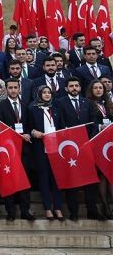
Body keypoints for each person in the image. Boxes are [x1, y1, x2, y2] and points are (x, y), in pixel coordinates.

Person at [56, 76, 103, 221]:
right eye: (71, 86)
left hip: (86, 147)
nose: (74, 88)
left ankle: (92, 210)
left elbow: (94, 124)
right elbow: (60, 124)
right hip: (69, 148)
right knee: (72, 180)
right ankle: (73, 211)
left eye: (76, 85)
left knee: (90, 180)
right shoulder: (60, 102)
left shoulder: (87, 102)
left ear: (80, 87)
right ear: (66, 88)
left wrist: (89, 141)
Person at [0, 78, 36, 221]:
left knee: (24, 180)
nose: (13, 90)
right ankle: (10, 211)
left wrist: (28, 134)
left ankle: (25, 210)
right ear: (6, 90)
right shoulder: (0, 106)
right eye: (10, 88)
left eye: (15, 87)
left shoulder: (25, 106)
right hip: (8, 149)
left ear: (19, 89)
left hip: (23, 148)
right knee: (8, 179)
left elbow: (29, 125)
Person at [28, 84, 66, 221]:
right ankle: (47, 209)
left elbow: (62, 127)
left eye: (49, 92)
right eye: (44, 92)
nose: (47, 95)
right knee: (43, 180)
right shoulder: (32, 110)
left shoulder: (56, 110)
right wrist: (34, 132)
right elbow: (28, 127)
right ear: (39, 94)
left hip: (55, 150)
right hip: (41, 149)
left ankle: (58, 208)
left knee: (57, 180)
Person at [85, 79, 113, 218]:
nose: (98, 90)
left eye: (100, 88)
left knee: (110, 173)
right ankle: (106, 207)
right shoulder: (88, 104)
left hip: (109, 143)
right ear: (91, 90)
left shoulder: (109, 104)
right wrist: (99, 126)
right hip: (97, 142)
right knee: (102, 173)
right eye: (95, 87)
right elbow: (88, 122)